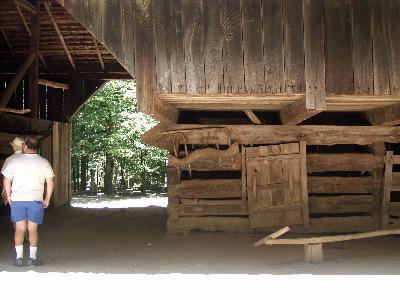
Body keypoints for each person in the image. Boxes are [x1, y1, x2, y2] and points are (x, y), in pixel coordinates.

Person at [2, 137, 55, 267]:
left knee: (19, 229)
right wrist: (47, 198)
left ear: (25, 146)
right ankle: (32, 258)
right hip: (35, 200)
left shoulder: (15, 162)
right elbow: (50, 181)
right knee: (33, 229)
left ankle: (19, 258)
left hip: (17, 200)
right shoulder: (44, 162)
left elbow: (6, 180)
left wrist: (9, 197)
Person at [1, 137, 24, 203]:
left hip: (14, 189)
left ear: (15, 147)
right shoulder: (29, 158)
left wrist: (4, 190)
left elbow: (5, 177)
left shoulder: (9, 159)